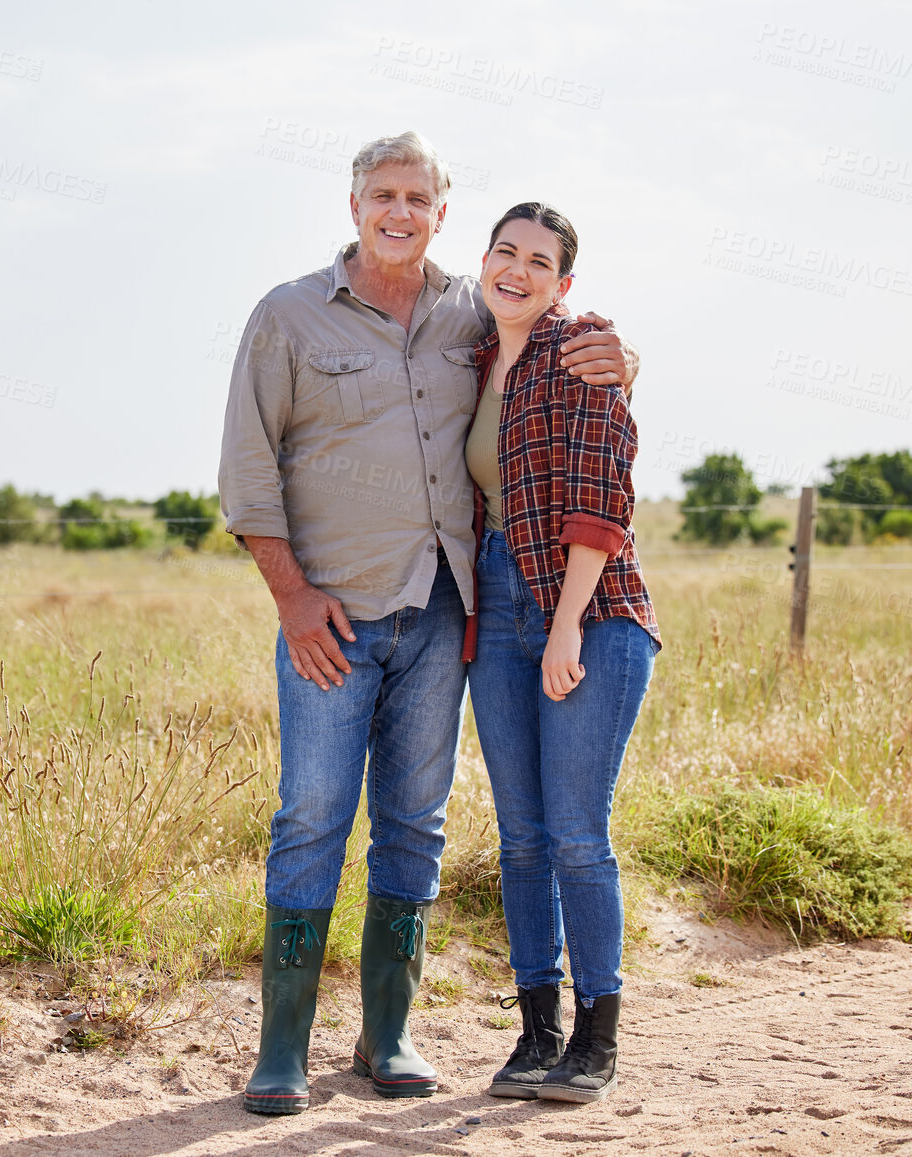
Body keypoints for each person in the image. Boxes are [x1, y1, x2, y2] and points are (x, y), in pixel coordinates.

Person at [217, 134, 638, 1115]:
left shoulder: (470, 312)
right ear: (355, 202)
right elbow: (246, 468)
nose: (399, 211)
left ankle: (387, 1032)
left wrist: (628, 355)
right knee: (312, 815)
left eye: (418, 197)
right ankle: (281, 1049)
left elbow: (566, 358)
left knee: (415, 821)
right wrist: (289, 594)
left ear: (442, 214)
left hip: (448, 613)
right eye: (383, 195)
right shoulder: (287, 315)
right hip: (332, 615)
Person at [461, 202, 661, 1103]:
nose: (516, 268)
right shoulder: (469, 358)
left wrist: (568, 624)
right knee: (521, 837)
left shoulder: (580, 352)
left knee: (578, 834)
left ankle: (597, 1037)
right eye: (504, 250)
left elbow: (602, 500)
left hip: (588, 605)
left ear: (564, 283)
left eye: (538, 260)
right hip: (496, 607)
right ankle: (536, 1032)